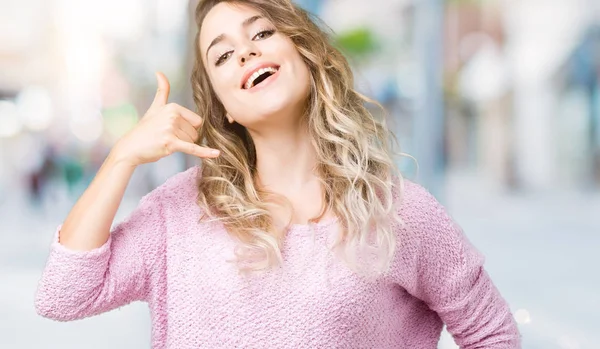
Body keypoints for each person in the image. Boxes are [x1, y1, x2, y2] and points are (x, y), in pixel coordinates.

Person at [35, 0, 522, 348]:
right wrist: (122, 157)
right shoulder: (179, 212)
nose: (246, 52)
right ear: (222, 107)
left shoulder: (399, 211)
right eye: (223, 55)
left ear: (304, 53)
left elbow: (492, 335)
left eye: (262, 33)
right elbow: (64, 294)